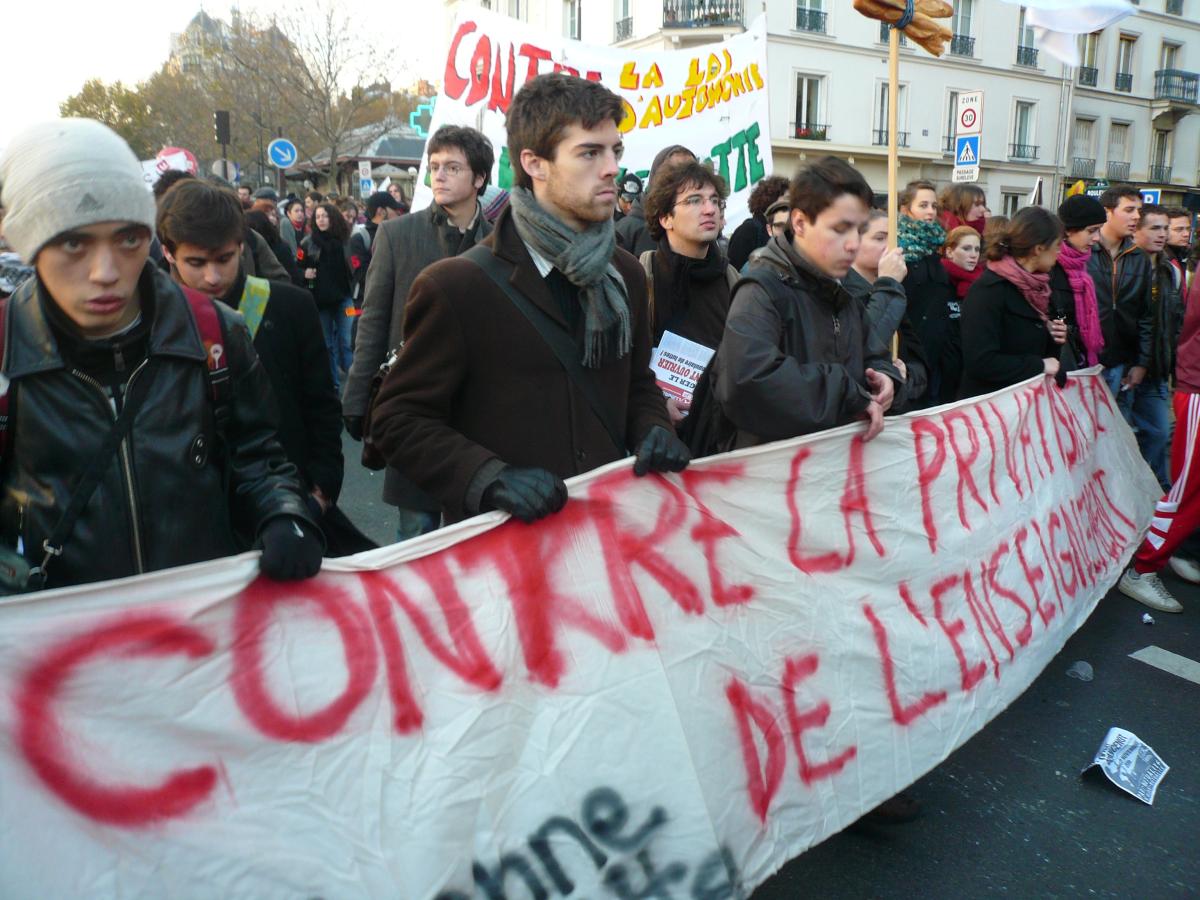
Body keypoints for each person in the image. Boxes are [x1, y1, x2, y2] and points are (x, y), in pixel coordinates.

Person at [0, 118, 322, 591]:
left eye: (129, 238)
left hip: (198, 622)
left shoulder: (216, 332)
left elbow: (257, 453)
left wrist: (283, 514)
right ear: (30, 244)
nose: (106, 272)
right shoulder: (6, 349)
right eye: (74, 242)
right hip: (58, 639)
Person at [369, 73, 688, 525]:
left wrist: (653, 426)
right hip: (504, 557)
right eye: (589, 152)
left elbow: (636, 384)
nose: (612, 167)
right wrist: (488, 477)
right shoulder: (457, 285)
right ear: (535, 163)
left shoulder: (628, 274)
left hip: (605, 536)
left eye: (614, 150)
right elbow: (398, 420)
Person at [155, 179, 368, 554]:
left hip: (290, 507)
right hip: (190, 524)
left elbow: (320, 403)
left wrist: (321, 491)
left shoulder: (289, 307)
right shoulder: (151, 324)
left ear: (242, 245)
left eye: (224, 259)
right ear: (168, 253)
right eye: (196, 263)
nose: (212, 277)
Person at [342, 125, 495, 540]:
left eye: (451, 167)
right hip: (415, 405)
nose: (438, 176)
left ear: (479, 178)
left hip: (481, 408)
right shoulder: (397, 235)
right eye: (434, 167)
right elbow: (373, 320)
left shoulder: (501, 241)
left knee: (476, 532)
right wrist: (358, 398)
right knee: (417, 533)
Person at [710, 156, 901, 449]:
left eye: (859, 230)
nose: (853, 243)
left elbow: (872, 354)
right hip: (775, 478)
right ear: (799, 222)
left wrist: (887, 380)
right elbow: (747, 381)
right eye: (840, 229)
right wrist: (848, 394)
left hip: (833, 471)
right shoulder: (761, 290)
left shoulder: (844, 292)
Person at [639, 159, 738, 426]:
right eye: (694, 201)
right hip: (658, 433)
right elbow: (622, 367)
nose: (709, 210)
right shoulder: (640, 276)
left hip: (719, 436)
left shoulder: (734, 281)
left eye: (715, 201)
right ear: (665, 218)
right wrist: (656, 405)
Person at [957, 207, 1068, 399]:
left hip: (1029, 404)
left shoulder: (1042, 286)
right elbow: (980, 362)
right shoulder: (989, 290)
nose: (1060, 252)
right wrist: (1040, 365)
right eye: (1057, 245)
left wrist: (1055, 334)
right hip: (993, 408)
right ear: (1039, 249)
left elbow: (1043, 342)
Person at [845, 207, 927, 410]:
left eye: (894, 239)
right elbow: (863, 345)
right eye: (880, 238)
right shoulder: (841, 293)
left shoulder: (897, 289)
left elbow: (920, 362)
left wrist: (905, 375)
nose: (890, 246)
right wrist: (888, 283)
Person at [1131, 204, 1184, 489]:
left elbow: (1175, 324)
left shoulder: (1169, 270)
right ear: (1136, 230)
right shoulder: (1125, 264)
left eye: (1166, 228)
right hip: (1127, 369)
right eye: (1155, 228)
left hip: (1157, 369)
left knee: (1160, 433)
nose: (1162, 234)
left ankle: (1153, 490)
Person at [898, 180, 960, 405]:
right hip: (910, 352)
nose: (930, 211)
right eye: (923, 205)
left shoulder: (936, 248)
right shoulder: (897, 249)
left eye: (934, 206)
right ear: (906, 209)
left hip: (938, 350)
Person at [300, 202, 355, 391]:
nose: (321, 220)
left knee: (347, 340)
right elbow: (296, 267)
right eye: (318, 217)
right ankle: (334, 384)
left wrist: (358, 286)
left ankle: (354, 382)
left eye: (325, 216)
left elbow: (356, 266)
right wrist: (303, 274)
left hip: (345, 300)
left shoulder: (346, 240)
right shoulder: (307, 243)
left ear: (333, 218)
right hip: (320, 302)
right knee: (327, 345)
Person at [1050, 195, 1108, 372]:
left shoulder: (1087, 262)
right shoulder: (1048, 264)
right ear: (1069, 230)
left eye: (1099, 230)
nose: (1097, 237)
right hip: (1056, 361)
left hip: (1079, 358)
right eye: (1091, 231)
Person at [616, 143, 696, 256]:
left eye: (692, 171)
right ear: (657, 178)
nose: (686, 179)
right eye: (676, 172)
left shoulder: (700, 226)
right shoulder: (625, 230)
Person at [349, 190, 404, 305]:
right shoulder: (359, 239)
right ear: (381, 211)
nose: (398, 214)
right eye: (394, 210)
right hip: (366, 304)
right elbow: (360, 273)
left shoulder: (399, 235)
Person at [727, 175, 790, 271]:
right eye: (786, 198)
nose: (790, 203)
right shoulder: (748, 230)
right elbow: (734, 269)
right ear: (771, 199)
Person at [941, 225, 983, 301]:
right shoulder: (937, 279)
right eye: (966, 249)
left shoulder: (983, 280)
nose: (974, 255)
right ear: (949, 252)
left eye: (977, 249)